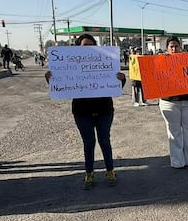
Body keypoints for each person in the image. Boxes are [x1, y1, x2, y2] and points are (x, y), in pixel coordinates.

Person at [44, 33, 126, 189]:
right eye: (84, 46)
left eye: (91, 45)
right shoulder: (70, 63)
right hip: (82, 112)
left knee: (104, 141)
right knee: (88, 143)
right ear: (77, 48)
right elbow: (60, 84)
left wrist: (121, 79)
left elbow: (115, 85)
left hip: (104, 110)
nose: (88, 49)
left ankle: (110, 171)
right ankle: (89, 173)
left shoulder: (105, 59)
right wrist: (51, 79)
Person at [160, 36, 188, 168]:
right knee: (174, 132)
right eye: (171, 46)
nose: (174, 49)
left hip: (187, 102)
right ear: (167, 48)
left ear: (180, 47)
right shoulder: (160, 62)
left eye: (176, 46)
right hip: (169, 102)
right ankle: (177, 161)